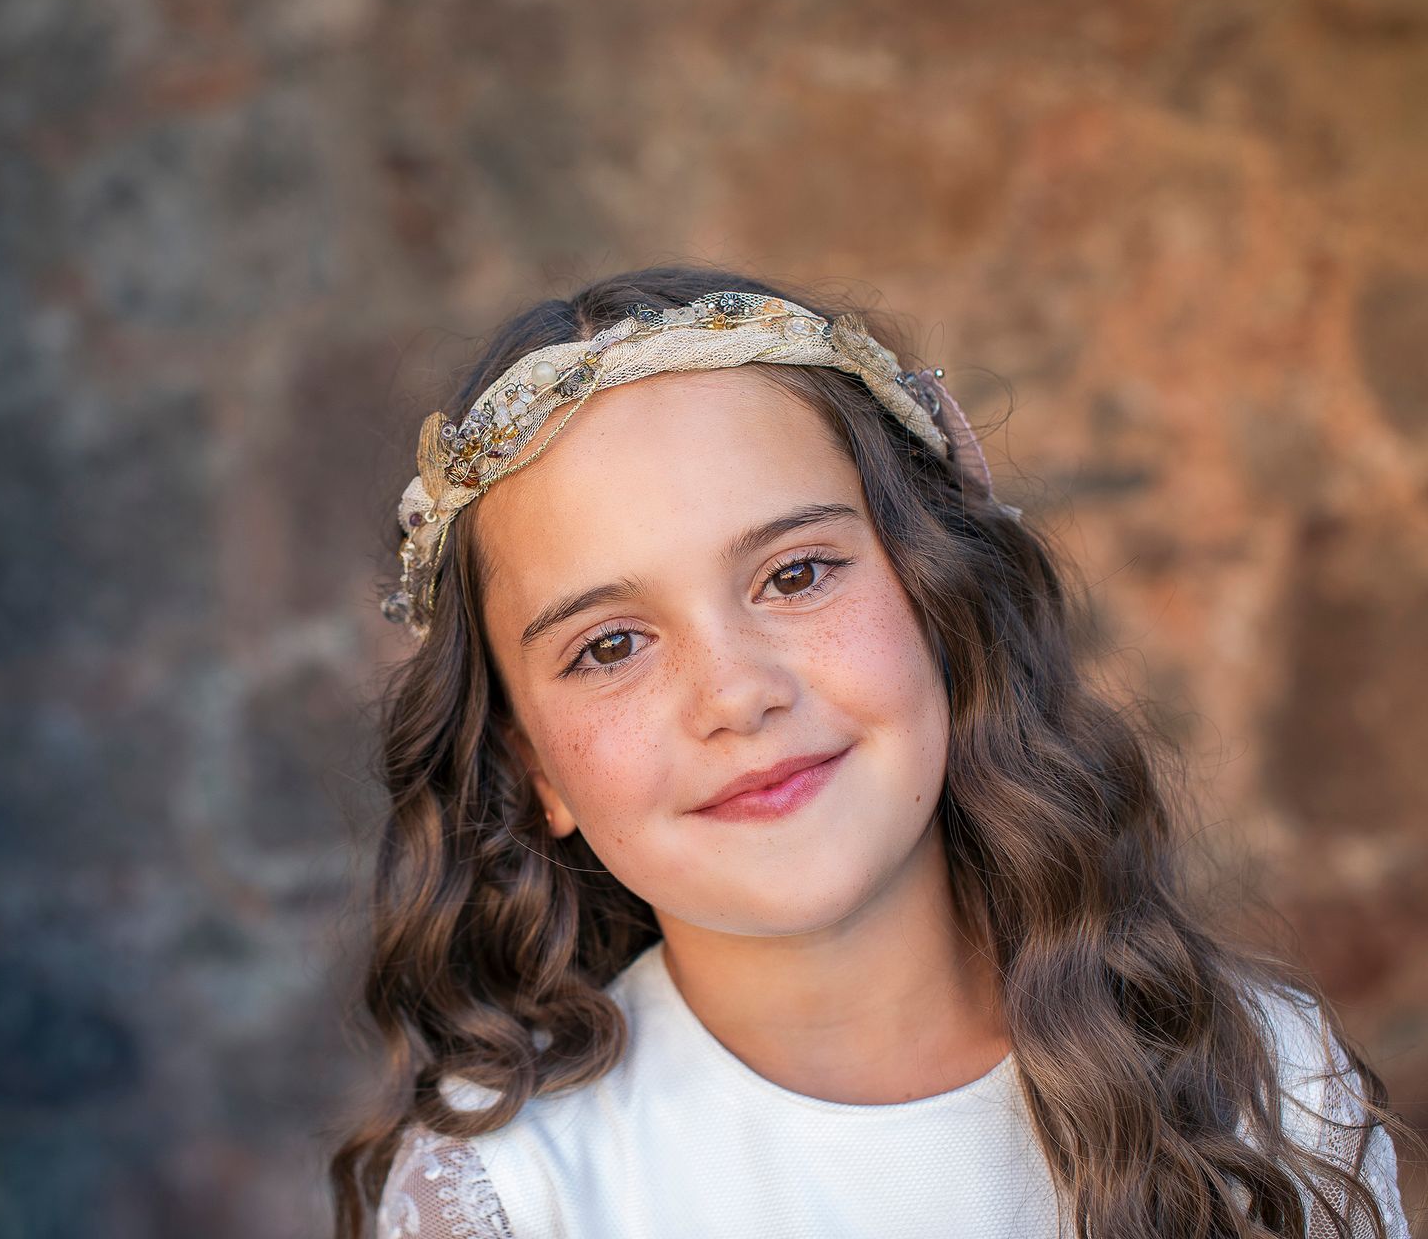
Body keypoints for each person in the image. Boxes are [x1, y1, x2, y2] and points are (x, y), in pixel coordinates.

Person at [327, 265, 1418, 1238]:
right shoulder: (512, 1195)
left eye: (796, 574)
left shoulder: (1266, 1080)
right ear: (534, 770)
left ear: (939, 600)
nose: (739, 693)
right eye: (610, 644)